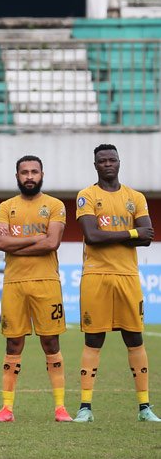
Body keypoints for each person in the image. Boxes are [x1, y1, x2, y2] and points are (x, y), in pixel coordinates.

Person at [73, 144, 159, 422]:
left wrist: (123, 233)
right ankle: (85, 407)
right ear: (95, 165)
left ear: (119, 162)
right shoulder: (87, 196)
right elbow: (92, 236)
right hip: (96, 275)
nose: (108, 163)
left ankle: (144, 407)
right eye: (102, 161)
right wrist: (132, 231)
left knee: (134, 338)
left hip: (128, 276)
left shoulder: (135, 197)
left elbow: (148, 238)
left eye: (112, 159)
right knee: (93, 339)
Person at [0, 156, 72, 422]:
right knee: (13, 343)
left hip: (46, 282)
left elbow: (52, 244)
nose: (29, 176)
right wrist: (36, 237)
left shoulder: (55, 205)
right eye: (24, 172)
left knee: (51, 342)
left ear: (42, 174)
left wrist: (18, 242)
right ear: (17, 176)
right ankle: (6, 409)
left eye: (34, 172)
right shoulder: (6, 207)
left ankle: (60, 408)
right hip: (14, 283)